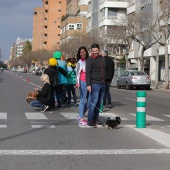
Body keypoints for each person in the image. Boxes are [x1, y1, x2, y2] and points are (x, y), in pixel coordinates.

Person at [86, 44, 105, 126]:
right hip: (94, 83)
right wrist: (88, 84)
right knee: (94, 101)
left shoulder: (102, 58)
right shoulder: (90, 59)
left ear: (99, 50)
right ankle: (90, 119)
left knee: (99, 103)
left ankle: (95, 118)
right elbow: (88, 73)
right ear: (91, 51)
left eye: (96, 51)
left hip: (103, 83)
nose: (95, 53)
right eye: (93, 51)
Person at [75, 46, 90, 125]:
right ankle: (81, 118)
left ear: (86, 52)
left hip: (90, 83)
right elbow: (77, 74)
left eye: (84, 52)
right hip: (83, 82)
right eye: (81, 52)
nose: (82, 54)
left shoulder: (89, 60)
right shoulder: (79, 62)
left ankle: (80, 114)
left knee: (90, 101)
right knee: (83, 100)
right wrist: (77, 83)